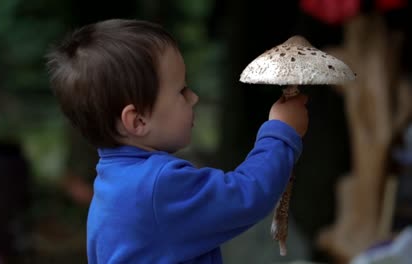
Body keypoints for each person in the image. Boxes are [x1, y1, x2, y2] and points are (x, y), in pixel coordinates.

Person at [46, 18, 308, 264]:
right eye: (182, 91)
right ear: (137, 121)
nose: (193, 98)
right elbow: (247, 195)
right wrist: (281, 131)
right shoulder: (158, 187)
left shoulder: (112, 185)